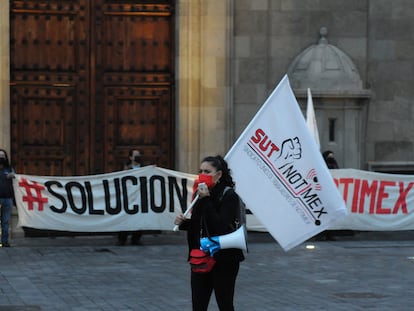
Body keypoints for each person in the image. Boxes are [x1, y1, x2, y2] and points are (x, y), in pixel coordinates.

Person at [174, 155, 245, 311]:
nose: (202, 174)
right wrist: (184, 223)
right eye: (200, 171)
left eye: (207, 171)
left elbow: (220, 226)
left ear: (218, 174)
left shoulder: (229, 196)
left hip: (224, 259)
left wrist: (205, 200)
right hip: (201, 257)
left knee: (225, 304)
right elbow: (200, 224)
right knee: (198, 305)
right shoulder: (200, 194)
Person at [117, 149, 144, 246]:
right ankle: (122, 239)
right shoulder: (126, 167)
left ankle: (136, 239)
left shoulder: (145, 168)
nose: (137, 157)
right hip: (127, 197)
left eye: (139, 155)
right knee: (124, 218)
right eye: (135, 155)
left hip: (139, 197)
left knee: (139, 218)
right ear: (130, 157)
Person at [0, 149, 15, 247]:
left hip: (8, 199)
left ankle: (4, 241)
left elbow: (16, 177)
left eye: (2, 156)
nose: (1, 158)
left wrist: (13, 175)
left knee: (5, 221)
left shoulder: (9, 168)